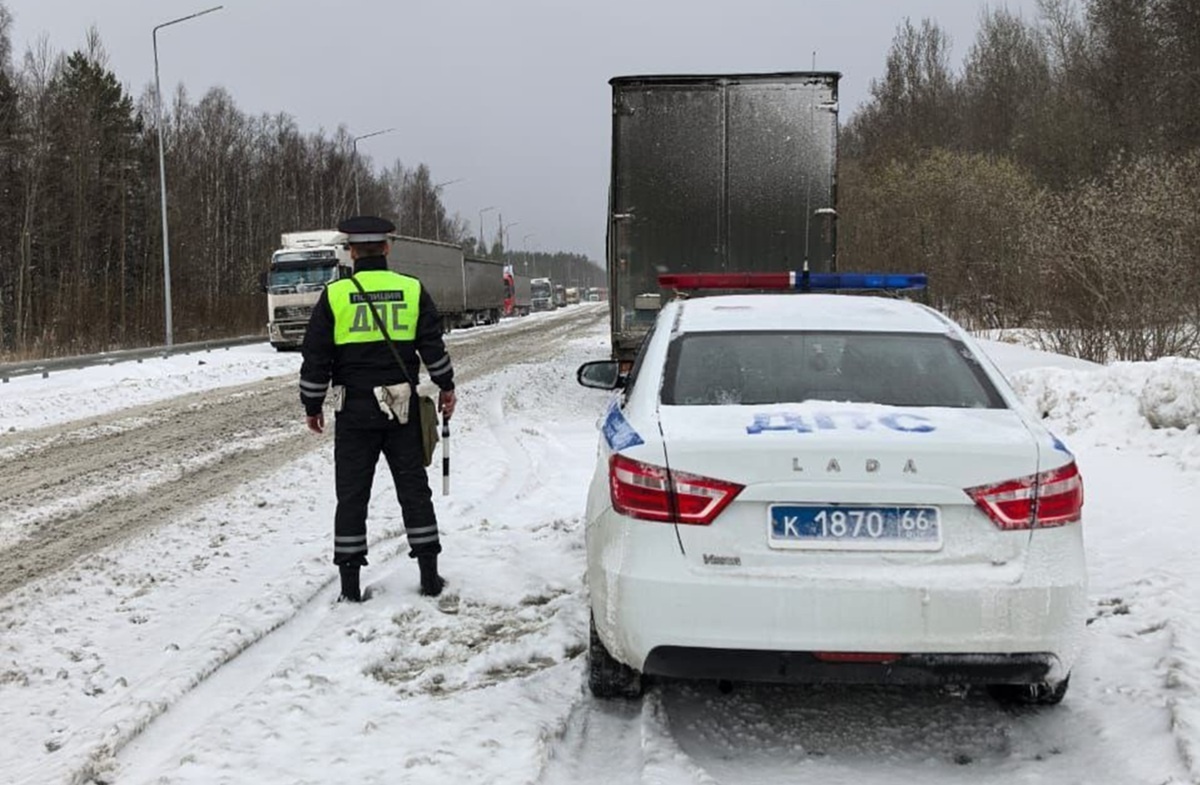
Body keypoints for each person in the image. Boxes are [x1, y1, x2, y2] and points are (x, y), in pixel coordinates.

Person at [299, 215, 457, 602]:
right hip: (401, 411)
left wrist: (312, 403)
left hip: (354, 413)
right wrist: (446, 387)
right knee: (414, 492)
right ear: (387, 248)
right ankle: (430, 579)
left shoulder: (334, 296)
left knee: (352, 496)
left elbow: (316, 357)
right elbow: (432, 347)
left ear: (351, 251)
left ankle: (350, 589)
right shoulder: (411, 289)